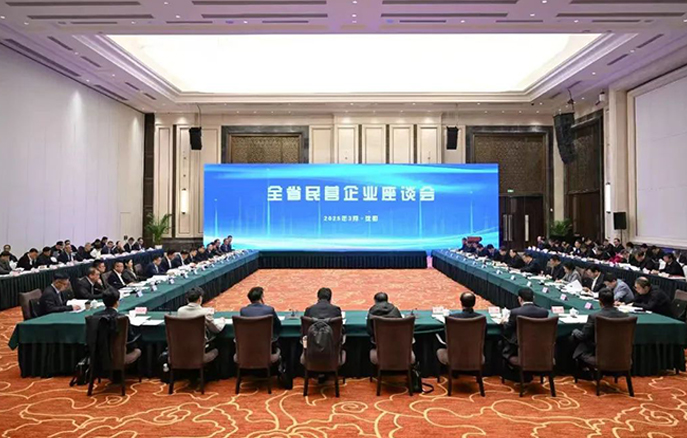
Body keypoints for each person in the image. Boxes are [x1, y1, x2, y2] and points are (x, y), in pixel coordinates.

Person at [571, 288, 629, 364]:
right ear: (614, 301)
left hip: (598, 353)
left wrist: (575, 331)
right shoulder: (625, 316)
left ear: (600, 302)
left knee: (572, 339)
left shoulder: (594, 317)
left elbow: (583, 336)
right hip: (620, 354)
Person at [501, 288, 549, 360]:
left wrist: (504, 322)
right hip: (539, 348)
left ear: (520, 299)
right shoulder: (544, 312)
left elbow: (507, 329)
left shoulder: (515, 312)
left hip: (518, 348)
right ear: (533, 298)